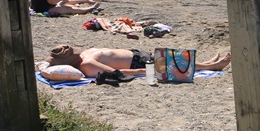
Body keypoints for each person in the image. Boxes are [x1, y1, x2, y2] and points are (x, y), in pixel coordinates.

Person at [45, 45, 231, 78]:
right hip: (137, 64)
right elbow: (114, 72)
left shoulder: (85, 55)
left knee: (170, 56)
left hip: (136, 55)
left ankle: (206, 63)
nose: (67, 48)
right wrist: (144, 72)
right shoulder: (86, 65)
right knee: (170, 62)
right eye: (64, 52)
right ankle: (212, 66)